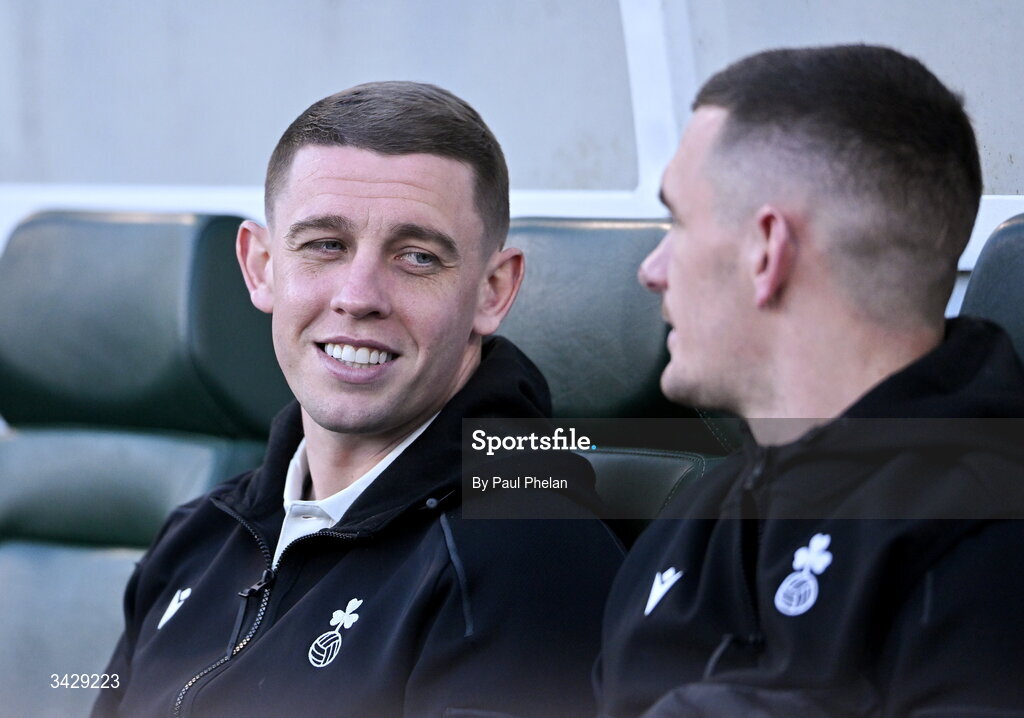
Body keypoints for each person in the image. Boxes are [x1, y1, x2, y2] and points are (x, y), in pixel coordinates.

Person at [93, 81, 623, 718]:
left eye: (417, 257)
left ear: (492, 290)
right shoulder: (200, 535)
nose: (359, 295)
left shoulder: (527, 556)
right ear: (260, 266)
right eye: (325, 245)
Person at [598, 45, 1024, 717]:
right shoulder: (688, 520)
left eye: (677, 221)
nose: (651, 269)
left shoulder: (986, 547)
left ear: (766, 251)